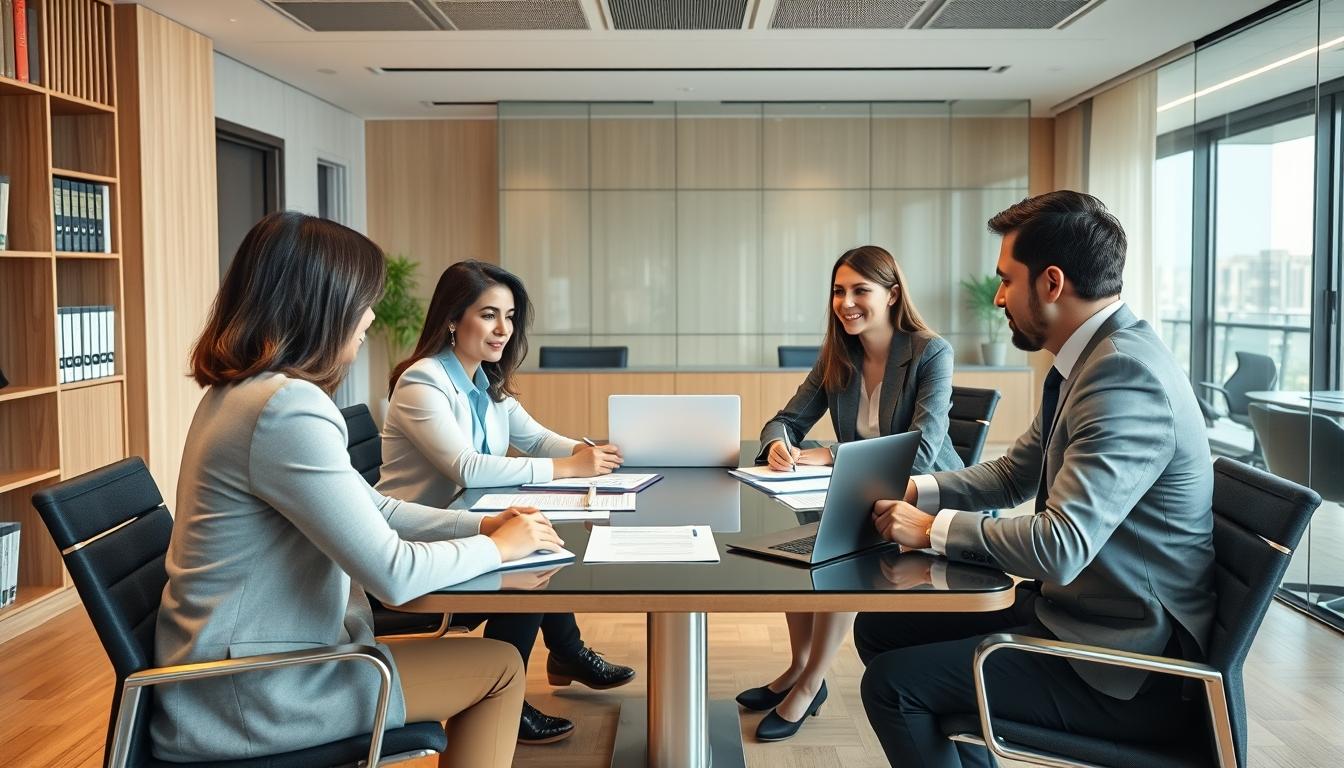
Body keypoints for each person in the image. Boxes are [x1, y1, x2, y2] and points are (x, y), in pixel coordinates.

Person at [154, 212, 560, 767]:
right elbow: (393, 574)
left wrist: (482, 524)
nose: (369, 315)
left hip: (228, 674)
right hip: (254, 690)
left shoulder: (242, 394)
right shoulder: (287, 408)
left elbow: (377, 507)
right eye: (362, 299)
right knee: (502, 668)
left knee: (491, 659)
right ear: (322, 304)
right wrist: (497, 548)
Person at [857, 191, 1216, 767]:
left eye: (1006, 280)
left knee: (895, 686)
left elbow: (1060, 546)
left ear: (1051, 283)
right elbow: (1014, 474)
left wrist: (929, 529)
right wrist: (915, 492)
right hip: (1080, 616)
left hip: (1125, 668)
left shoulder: (1123, 375)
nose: (997, 297)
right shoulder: (1092, 359)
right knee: (882, 630)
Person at [378, 259, 636, 745]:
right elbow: (467, 467)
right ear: (454, 319)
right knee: (530, 563)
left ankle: (566, 651)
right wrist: (569, 469)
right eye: (489, 314)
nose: (503, 329)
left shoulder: (485, 382)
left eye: (511, 316)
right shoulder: (422, 382)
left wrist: (589, 451)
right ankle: (508, 695)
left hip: (469, 522)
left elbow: (538, 440)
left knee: (540, 544)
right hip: (415, 536)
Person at [738, 245, 964, 742]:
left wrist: (828, 453)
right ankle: (799, 666)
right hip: (864, 493)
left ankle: (811, 683)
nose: (846, 302)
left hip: (924, 498)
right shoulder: (839, 355)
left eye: (861, 290)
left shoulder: (930, 353)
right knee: (793, 537)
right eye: (839, 291)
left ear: (892, 294)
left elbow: (920, 453)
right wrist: (779, 442)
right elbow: (785, 419)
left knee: (835, 544)